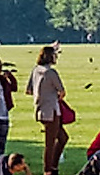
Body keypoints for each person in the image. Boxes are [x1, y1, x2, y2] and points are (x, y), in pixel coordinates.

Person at [29, 44, 68, 175]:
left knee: (63, 137)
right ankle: (48, 170)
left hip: (40, 109)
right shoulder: (51, 72)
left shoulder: (36, 70)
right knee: (50, 143)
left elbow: (29, 90)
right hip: (51, 111)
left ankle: (54, 166)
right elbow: (62, 92)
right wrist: (53, 96)